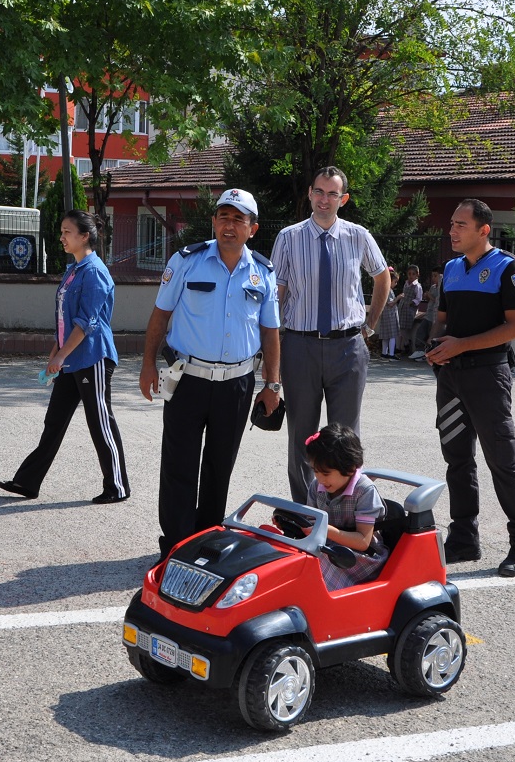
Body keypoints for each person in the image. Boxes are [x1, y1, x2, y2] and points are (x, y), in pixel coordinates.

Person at [140, 188, 281, 560]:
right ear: (214, 221)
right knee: (179, 466)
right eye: (223, 217)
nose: (229, 225)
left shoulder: (262, 272)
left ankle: (203, 543)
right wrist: (147, 364)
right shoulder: (187, 261)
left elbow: (270, 332)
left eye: (238, 219)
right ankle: (174, 546)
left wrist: (273, 384)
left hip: (237, 384)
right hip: (188, 378)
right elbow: (160, 315)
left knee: (220, 468)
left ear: (253, 228)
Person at [425, 198, 515, 577]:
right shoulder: (452, 268)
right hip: (451, 379)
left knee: (503, 463)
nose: (452, 231)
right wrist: (436, 345)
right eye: (452, 224)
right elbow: (441, 319)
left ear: (483, 230)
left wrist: (461, 345)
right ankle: (463, 540)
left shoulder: (509, 268)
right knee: (457, 460)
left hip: (489, 377)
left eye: (460, 225)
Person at [270, 166, 392, 504]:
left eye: (332, 193)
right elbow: (276, 293)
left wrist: (370, 324)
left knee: (345, 438)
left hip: (348, 348)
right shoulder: (289, 237)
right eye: (319, 192)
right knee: (302, 438)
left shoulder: (358, 236)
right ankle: (305, 512)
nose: (325, 199)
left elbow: (382, 278)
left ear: (344, 199)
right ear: (309, 193)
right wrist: (272, 348)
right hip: (299, 346)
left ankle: (346, 512)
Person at [0, 210, 130, 504]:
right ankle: (27, 482)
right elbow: (64, 318)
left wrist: (62, 355)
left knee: (100, 421)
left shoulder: (95, 271)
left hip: (93, 357)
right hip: (71, 357)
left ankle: (117, 487)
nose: (61, 237)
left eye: (67, 231)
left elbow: (87, 323)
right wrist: (55, 352)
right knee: (54, 421)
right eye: (61, 231)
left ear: (85, 236)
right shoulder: (73, 270)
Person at [288, 423, 387, 590]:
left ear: (349, 468)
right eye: (315, 471)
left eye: (325, 473)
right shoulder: (316, 486)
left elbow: (363, 541)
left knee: (314, 567)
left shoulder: (364, 491)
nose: (320, 479)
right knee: (290, 557)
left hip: (361, 557)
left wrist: (324, 529)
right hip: (328, 547)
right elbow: (311, 523)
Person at [398, 264, 424, 355]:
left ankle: (406, 344)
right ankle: (405, 344)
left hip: (409, 309)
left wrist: (412, 302)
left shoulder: (417, 286)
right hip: (402, 307)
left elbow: (418, 298)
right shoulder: (406, 284)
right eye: (409, 274)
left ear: (417, 275)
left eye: (413, 274)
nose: (411, 276)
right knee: (401, 327)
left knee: (405, 327)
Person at [375, 265, 401, 357]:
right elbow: (390, 303)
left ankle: (384, 352)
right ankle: (391, 353)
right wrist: (398, 298)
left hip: (385, 314)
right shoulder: (389, 290)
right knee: (392, 335)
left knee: (385, 335)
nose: (396, 284)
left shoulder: (383, 289)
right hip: (390, 315)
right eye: (395, 282)